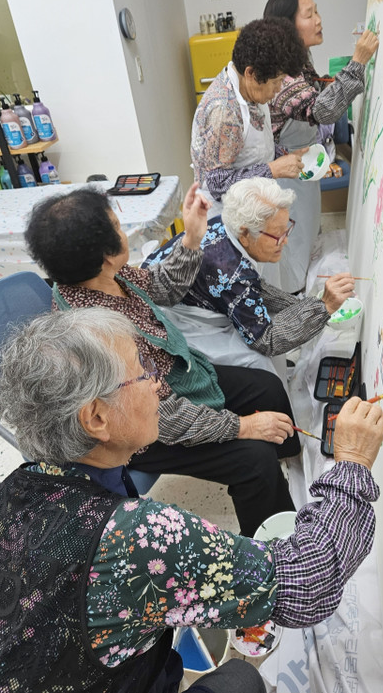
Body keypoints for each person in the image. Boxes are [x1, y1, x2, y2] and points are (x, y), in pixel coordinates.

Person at [0, 307, 383, 692]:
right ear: (96, 417)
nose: (159, 386)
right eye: (143, 373)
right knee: (242, 680)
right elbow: (309, 581)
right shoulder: (140, 540)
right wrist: (351, 462)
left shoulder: (11, 492)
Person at [24, 183, 299, 537]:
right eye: (119, 228)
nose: (125, 233)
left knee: (266, 386)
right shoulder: (97, 335)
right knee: (254, 462)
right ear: (106, 254)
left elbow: (164, 287)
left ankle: (291, 464)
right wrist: (242, 427)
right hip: (139, 428)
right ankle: (274, 558)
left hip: (173, 380)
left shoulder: (107, 276)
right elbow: (164, 418)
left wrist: (192, 237)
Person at [144, 177, 355, 371]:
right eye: (277, 235)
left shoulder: (226, 223)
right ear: (245, 233)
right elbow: (266, 339)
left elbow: (256, 287)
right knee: (258, 364)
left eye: (286, 230)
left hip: (168, 289)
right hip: (167, 319)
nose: (286, 241)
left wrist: (300, 305)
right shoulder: (231, 273)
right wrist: (323, 307)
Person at [263, 0, 380, 291]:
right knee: (291, 244)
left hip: (303, 167)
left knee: (305, 235)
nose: (318, 19)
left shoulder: (299, 58)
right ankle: (291, 297)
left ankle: (299, 286)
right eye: (309, 14)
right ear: (289, 26)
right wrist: (358, 62)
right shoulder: (282, 73)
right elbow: (322, 111)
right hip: (286, 173)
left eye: (317, 11)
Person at [191, 17, 311, 293]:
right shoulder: (225, 112)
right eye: (277, 81)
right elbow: (217, 183)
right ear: (250, 73)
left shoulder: (250, 92)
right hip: (231, 226)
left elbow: (248, 150)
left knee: (269, 286)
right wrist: (274, 169)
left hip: (255, 211)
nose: (278, 89)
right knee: (249, 296)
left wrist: (285, 155)